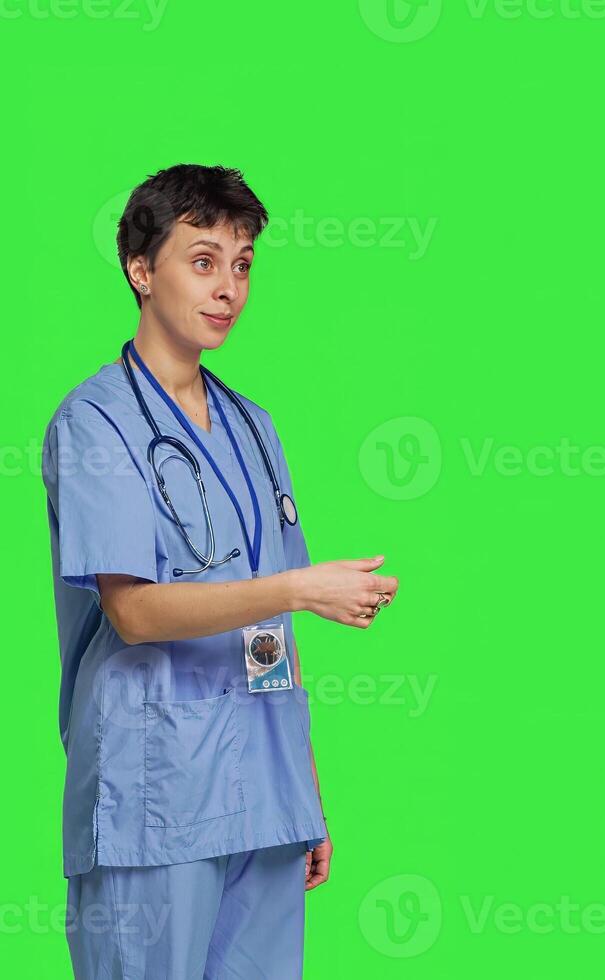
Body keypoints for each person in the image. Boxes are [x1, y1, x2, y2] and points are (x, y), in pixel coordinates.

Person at [42, 164, 401, 978]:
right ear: (141, 270)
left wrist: (302, 791)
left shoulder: (253, 426)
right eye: (202, 261)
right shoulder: (96, 422)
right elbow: (134, 613)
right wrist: (301, 589)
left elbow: (269, 628)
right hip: (154, 789)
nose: (228, 288)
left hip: (263, 792)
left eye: (241, 265)